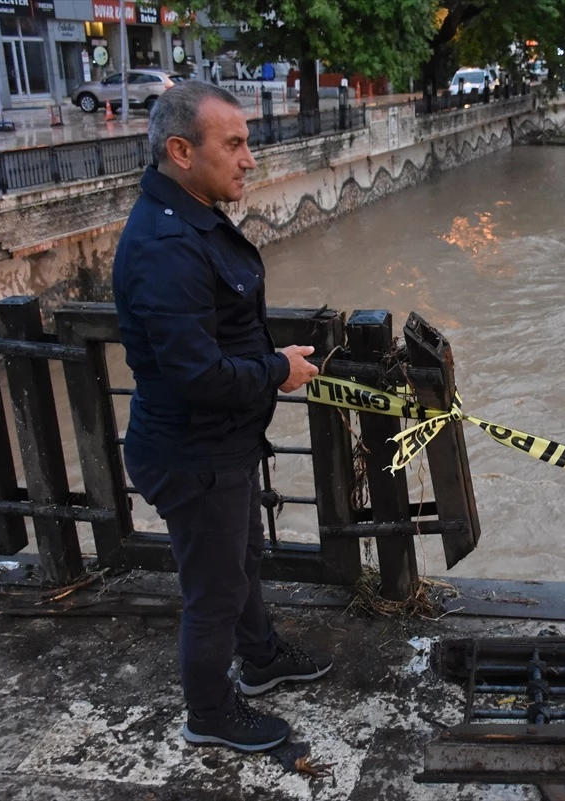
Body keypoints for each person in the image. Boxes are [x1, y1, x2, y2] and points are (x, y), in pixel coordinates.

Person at [113, 80, 328, 753]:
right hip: (191, 451)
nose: (249, 158)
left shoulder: (190, 217)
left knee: (241, 559)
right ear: (182, 150)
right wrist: (275, 371)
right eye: (233, 144)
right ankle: (209, 712)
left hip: (220, 443)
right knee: (212, 589)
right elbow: (195, 373)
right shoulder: (165, 247)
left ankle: (260, 657)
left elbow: (216, 335)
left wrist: (271, 357)